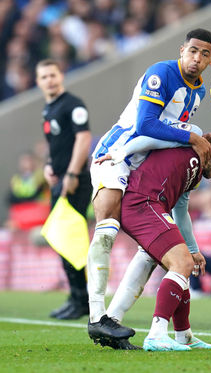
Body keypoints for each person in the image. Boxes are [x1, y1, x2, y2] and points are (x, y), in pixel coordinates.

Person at [87, 28, 211, 342]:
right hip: (116, 154)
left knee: (151, 251)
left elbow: (170, 132)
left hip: (142, 169)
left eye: (204, 54)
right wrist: (193, 136)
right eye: (192, 51)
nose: (196, 58)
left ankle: (111, 321)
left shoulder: (198, 93)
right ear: (182, 49)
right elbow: (146, 123)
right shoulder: (162, 73)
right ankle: (96, 315)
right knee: (107, 227)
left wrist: (197, 133)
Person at [105, 136, 211, 351]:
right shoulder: (190, 141)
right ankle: (156, 334)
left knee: (172, 263)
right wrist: (122, 152)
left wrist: (194, 250)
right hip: (142, 202)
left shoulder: (194, 176)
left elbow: (181, 211)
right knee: (181, 263)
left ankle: (182, 335)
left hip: (151, 206)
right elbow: (150, 135)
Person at [36, 59, 92, 320]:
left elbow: (83, 138)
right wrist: (50, 164)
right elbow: (57, 144)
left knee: (70, 240)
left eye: (53, 75)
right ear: (38, 82)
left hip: (75, 181)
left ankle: (83, 301)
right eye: (44, 76)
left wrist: (71, 173)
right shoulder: (49, 109)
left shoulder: (73, 104)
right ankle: (76, 297)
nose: (50, 80)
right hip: (60, 179)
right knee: (62, 240)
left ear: (61, 76)